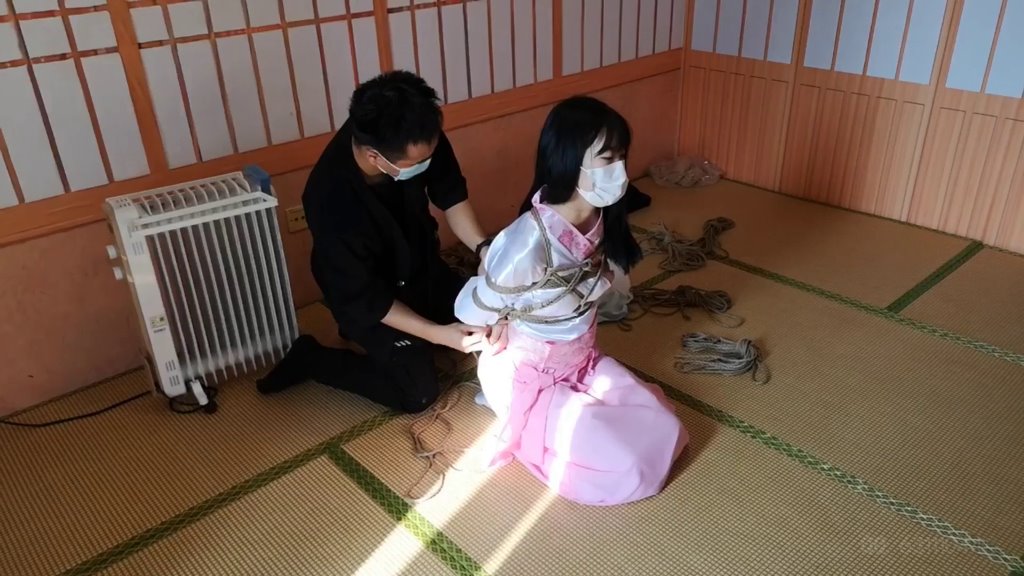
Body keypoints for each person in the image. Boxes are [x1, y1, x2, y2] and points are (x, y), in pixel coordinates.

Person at [454, 96, 689, 506]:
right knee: (630, 466)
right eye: (607, 158)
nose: (619, 169)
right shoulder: (525, 243)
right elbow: (470, 311)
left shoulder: (599, 216)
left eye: (622, 156)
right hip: (530, 375)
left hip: (583, 363)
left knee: (665, 428)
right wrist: (496, 325)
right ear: (568, 158)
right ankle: (508, 406)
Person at [257, 70, 497, 414]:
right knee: (417, 391)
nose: (426, 164)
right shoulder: (329, 197)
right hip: (365, 292)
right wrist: (438, 334)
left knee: (486, 317)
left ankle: (402, 330)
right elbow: (367, 295)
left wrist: (484, 249)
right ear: (374, 157)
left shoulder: (418, 134)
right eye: (417, 163)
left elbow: (451, 196)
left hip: (420, 266)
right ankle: (312, 358)